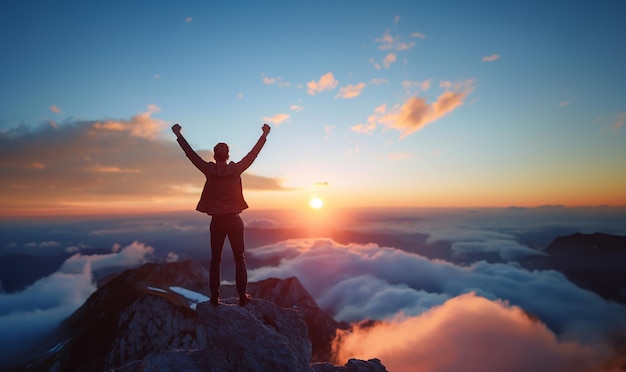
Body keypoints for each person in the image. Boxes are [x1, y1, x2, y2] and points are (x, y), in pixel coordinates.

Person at [172, 123, 271, 306]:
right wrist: (264, 135)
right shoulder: (236, 169)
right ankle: (242, 296)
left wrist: (178, 135)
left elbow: (191, 155)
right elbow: (253, 154)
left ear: (214, 156)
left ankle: (214, 297)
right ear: (228, 156)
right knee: (239, 259)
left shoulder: (209, 170)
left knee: (215, 259)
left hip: (217, 222)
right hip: (235, 221)